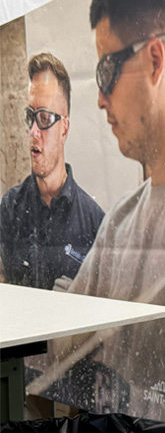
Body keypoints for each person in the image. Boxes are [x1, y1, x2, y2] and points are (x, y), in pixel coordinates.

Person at [40, 0, 165, 432]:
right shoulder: (120, 221)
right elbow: (68, 336)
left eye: (105, 72)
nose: (99, 98)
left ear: (154, 59)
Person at [1, 52, 104, 291]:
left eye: (44, 118)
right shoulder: (9, 209)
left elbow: (107, 314)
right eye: (30, 117)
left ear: (64, 129)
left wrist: (81, 303)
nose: (34, 131)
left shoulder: (94, 223)